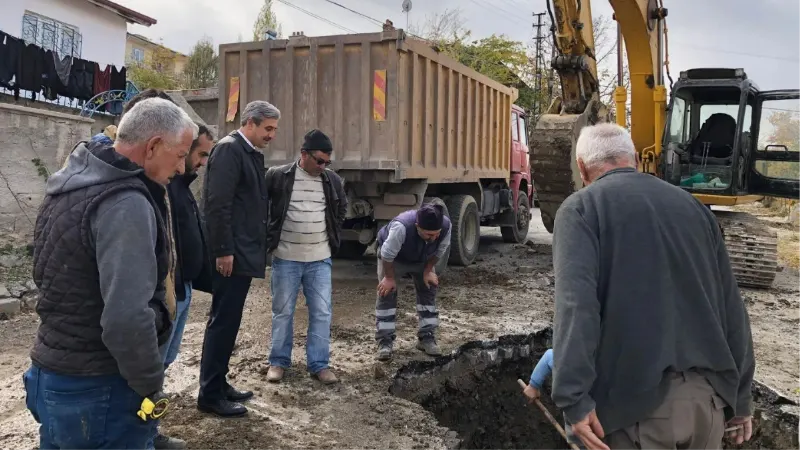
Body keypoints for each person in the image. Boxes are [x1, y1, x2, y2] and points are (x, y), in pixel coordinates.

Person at [551, 123, 755, 450]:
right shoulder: (696, 209)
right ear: (633, 158)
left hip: (633, 412)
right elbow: (733, 310)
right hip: (708, 408)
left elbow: (577, 308)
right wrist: (741, 400)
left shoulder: (581, 210)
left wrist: (572, 398)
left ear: (582, 167)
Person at [23, 97, 197, 449]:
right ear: (153, 147)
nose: (182, 168)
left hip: (53, 375)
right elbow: (126, 320)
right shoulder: (125, 203)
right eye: (180, 155)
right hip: (99, 386)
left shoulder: (71, 183)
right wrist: (150, 385)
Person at [198, 100, 280, 417]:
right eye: (268, 128)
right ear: (249, 123)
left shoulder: (246, 152)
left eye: (274, 129)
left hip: (242, 251)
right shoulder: (229, 150)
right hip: (231, 254)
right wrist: (223, 251)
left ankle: (219, 384)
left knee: (229, 321)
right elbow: (217, 205)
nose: (271, 135)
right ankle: (209, 395)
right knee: (222, 322)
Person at [263, 129, 347, 385]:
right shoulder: (278, 176)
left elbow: (341, 208)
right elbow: (262, 206)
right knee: (283, 311)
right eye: (319, 161)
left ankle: (319, 365)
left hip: (320, 259)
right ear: (303, 155)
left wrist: (332, 236)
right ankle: (278, 362)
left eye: (327, 162)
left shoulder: (332, 180)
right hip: (286, 258)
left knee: (322, 312)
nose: (323, 166)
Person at [149, 124, 215, 450]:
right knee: (151, 368)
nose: (201, 161)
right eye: (200, 153)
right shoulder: (163, 187)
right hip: (168, 291)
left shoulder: (183, 186)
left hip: (183, 288)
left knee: (163, 364)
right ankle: (145, 433)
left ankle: (149, 430)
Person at [374, 203, 451, 361]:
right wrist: (389, 278)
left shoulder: (446, 226)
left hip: (423, 259)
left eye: (436, 234)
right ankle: (385, 341)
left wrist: (428, 270)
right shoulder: (401, 228)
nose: (434, 238)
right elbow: (386, 254)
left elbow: (440, 250)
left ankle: (427, 337)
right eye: (429, 235)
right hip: (394, 259)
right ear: (417, 226)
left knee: (429, 290)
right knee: (386, 293)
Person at [522, 349, 585, 449]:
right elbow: (551, 356)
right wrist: (533, 385)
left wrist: (533, 386)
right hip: (584, 426)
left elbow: (550, 356)